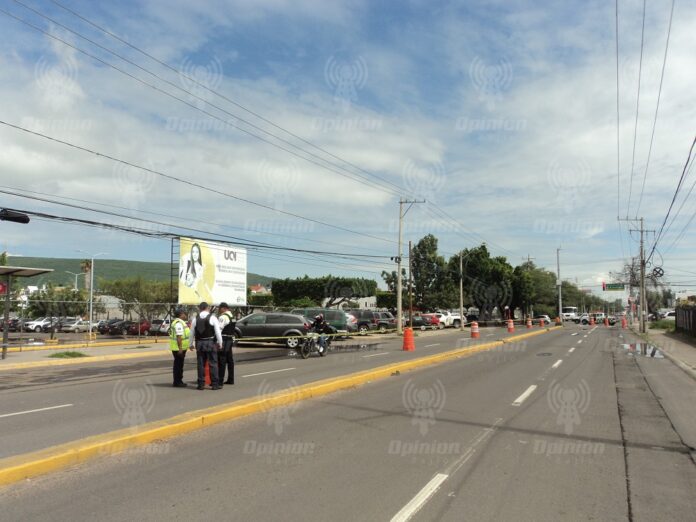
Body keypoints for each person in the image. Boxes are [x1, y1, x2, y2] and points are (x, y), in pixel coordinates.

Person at [189, 302, 223, 390]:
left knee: (200, 364)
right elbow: (217, 331)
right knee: (213, 363)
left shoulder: (195, 319)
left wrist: (190, 344)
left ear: (199, 308)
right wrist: (220, 342)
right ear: (208, 308)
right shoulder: (212, 317)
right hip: (210, 342)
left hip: (199, 342)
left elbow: (191, 332)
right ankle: (215, 384)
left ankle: (201, 384)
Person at [169, 307, 190, 387]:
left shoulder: (179, 322)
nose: (185, 315)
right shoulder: (178, 323)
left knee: (179, 365)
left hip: (179, 348)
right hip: (178, 348)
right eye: (184, 313)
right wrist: (180, 349)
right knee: (178, 365)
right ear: (181, 314)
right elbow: (179, 337)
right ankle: (177, 382)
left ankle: (178, 381)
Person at [217, 302, 236, 386]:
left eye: (219, 308)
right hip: (230, 339)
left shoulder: (223, 317)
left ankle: (220, 381)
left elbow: (219, 330)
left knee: (222, 360)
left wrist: (218, 342)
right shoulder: (232, 316)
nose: (219, 310)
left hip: (224, 339)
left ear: (224, 308)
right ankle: (231, 379)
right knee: (230, 360)